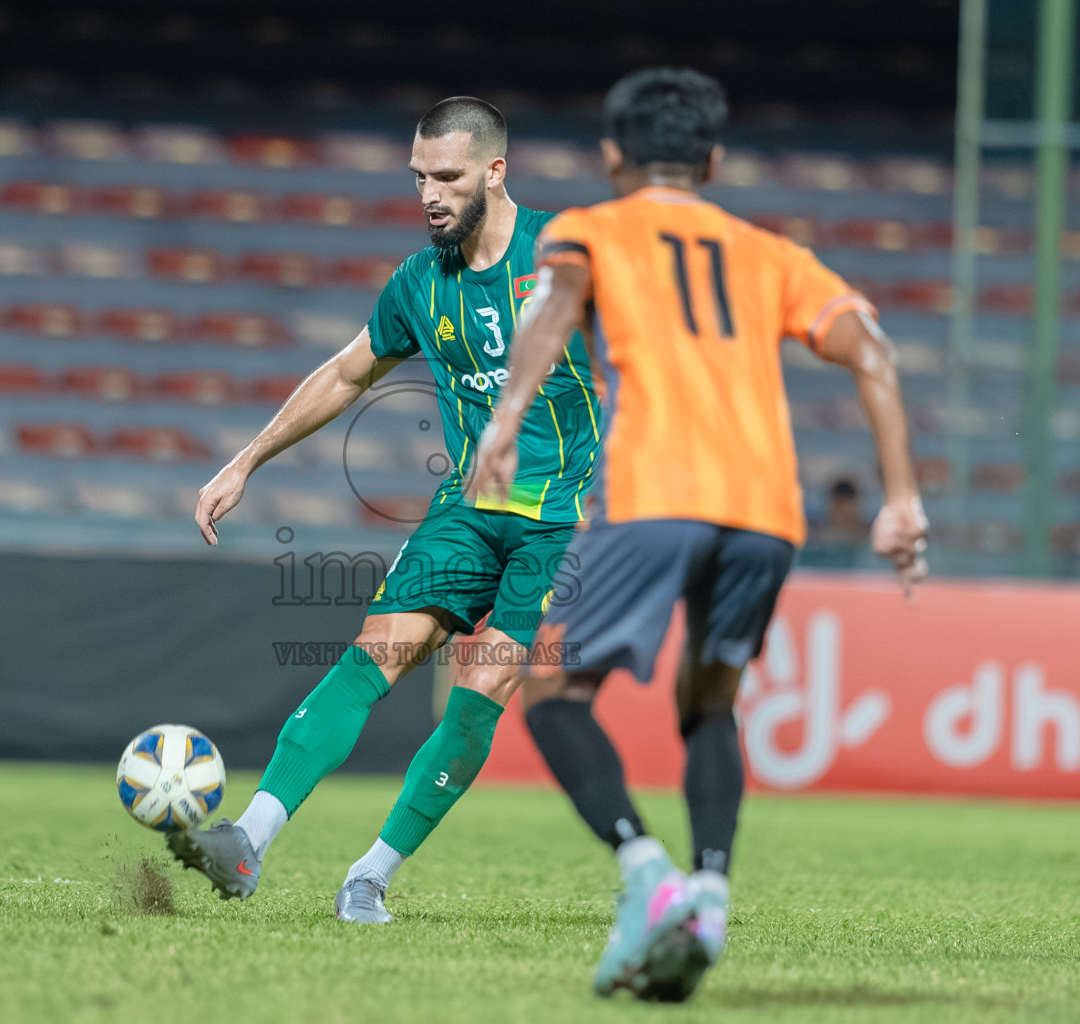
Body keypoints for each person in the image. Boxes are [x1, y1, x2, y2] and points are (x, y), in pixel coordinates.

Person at [468, 67, 929, 1000]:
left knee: (551, 687)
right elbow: (872, 352)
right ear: (713, 159)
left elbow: (554, 308)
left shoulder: (587, 229)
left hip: (657, 495)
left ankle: (649, 878)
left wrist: (506, 416)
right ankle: (709, 896)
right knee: (711, 701)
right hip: (767, 511)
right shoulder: (771, 253)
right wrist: (903, 499)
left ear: (610, 155)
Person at [170, 97, 601, 924]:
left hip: (559, 520)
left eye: (448, 177)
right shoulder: (418, 282)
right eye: (419, 178)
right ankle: (249, 840)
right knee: (372, 657)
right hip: (467, 511)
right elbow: (342, 375)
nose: (430, 194)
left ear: (495, 171)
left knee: (485, 686)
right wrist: (246, 460)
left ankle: (370, 874)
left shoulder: (568, 253)